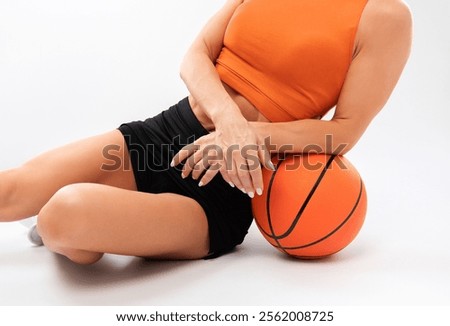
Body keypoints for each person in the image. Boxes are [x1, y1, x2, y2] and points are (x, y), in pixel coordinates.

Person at [0, 0, 412, 264]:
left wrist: (246, 138)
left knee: (61, 215)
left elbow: (343, 131)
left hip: (228, 184)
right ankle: (102, 225)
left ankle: (84, 228)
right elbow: (194, 57)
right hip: (163, 133)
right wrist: (231, 122)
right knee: (11, 192)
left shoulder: (385, 16)